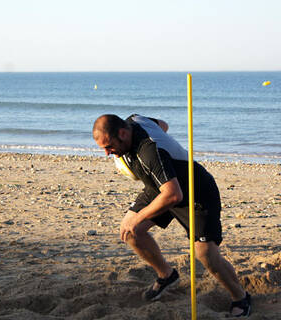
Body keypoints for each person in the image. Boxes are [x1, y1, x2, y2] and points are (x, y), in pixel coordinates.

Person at [92, 114, 251, 317]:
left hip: (196, 193)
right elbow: (164, 126)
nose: (107, 153)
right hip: (161, 187)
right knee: (130, 232)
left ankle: (241, 297)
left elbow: (173, 195)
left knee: (205, 255)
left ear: (122, 133)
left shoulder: (149, 152)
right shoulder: (135, 119)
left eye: (109, 146)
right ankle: (166, 274)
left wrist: (139, 216)